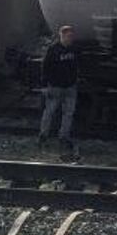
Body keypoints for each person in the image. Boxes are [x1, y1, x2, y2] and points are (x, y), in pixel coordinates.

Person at [39, 25, 82, 163]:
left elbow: (77, 65)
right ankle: (43, 135)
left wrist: (76, 79)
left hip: (70, 86)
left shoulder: (74, 50)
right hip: (55, 86)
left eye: (72, 36)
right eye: (68, 36)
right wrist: (45, 85)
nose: (70, 39)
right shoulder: (53, 50)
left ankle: (64, 136)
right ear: (62, 36)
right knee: (50, 111)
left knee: (68, 112)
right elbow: (45, 68)